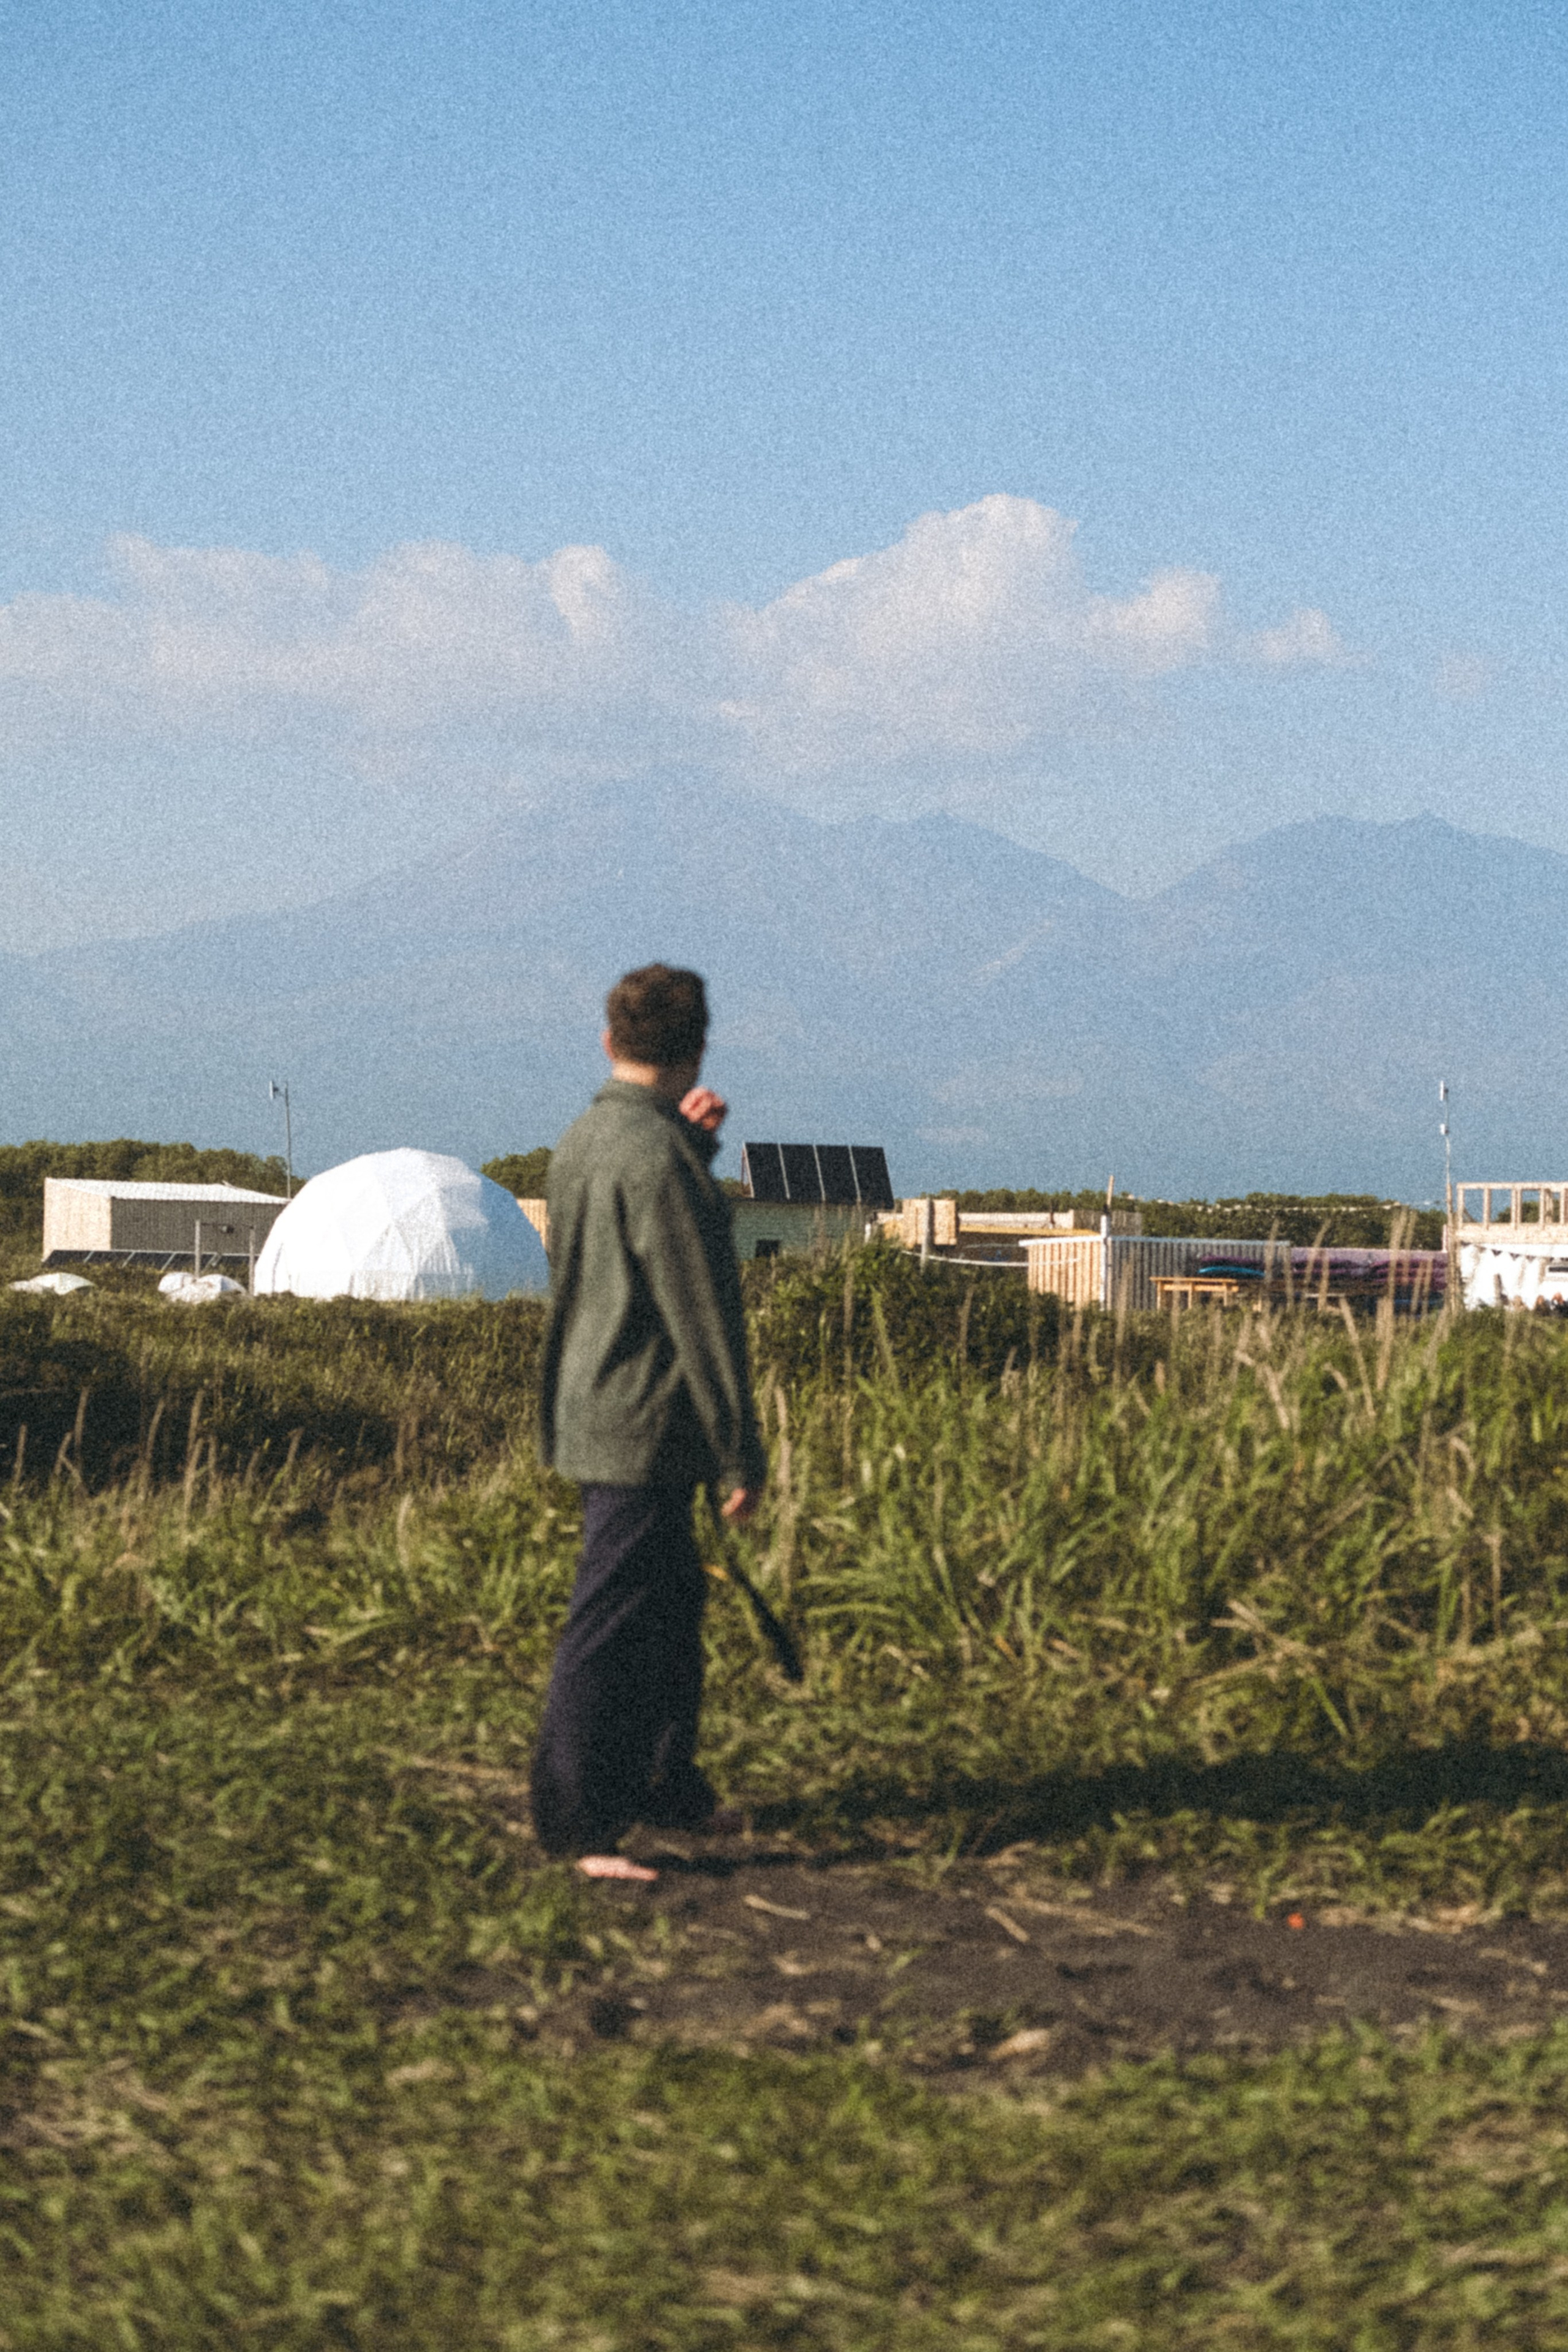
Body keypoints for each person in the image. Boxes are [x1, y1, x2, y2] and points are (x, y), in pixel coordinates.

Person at [532, 964, 767, 1883]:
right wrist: (739, 1446)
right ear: (698, 1047)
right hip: (646, 1420)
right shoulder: (657, 1157)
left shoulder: (588, 1138)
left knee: (672, 1602)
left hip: (591, 1401)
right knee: (613, 1616)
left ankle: (671, 1784)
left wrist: (689, 1151)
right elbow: (699, 1311)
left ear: (609, 1040)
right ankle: (577, 1822)